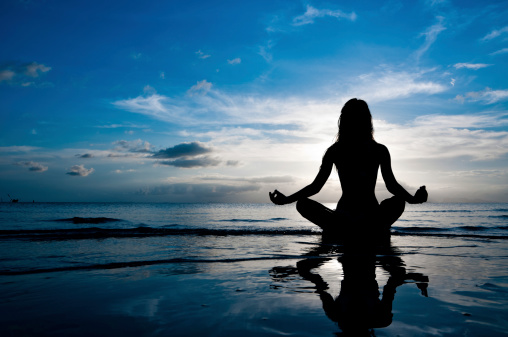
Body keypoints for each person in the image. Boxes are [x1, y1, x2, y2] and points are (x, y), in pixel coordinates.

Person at [269, 98, 427, 235]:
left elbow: (316, 187)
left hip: (345, 218)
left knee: (302, 203)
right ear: (368, 121)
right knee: (399, 201)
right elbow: (391, 186)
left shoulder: (337, 150)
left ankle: (343, 228)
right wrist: (413, 199)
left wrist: (287, 200)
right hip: (367, 217)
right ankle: (370, 229)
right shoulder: (376, 150)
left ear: (343, 122)